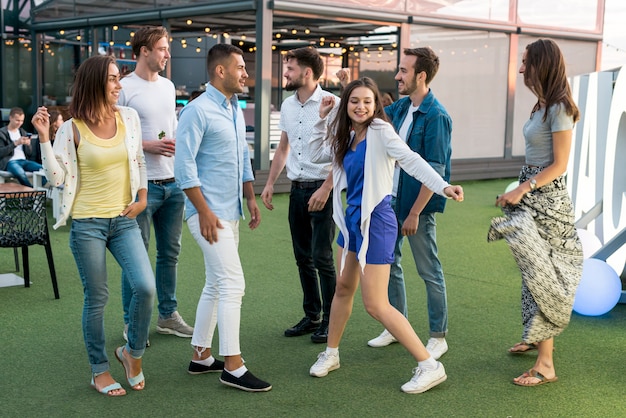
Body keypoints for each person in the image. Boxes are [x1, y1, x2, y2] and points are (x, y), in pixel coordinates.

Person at [308, 77, 464, 393]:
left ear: (376, 104)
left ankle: (430, 365)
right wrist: (322, 119)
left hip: (377, 222)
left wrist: (443, 186)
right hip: (352, 221)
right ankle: (331, 353)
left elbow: (411, 160)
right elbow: (316, 154)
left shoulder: (381, 132)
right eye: (354, 101)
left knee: (376, 305)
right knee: (342, 288)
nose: (361, 106)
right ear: (346, 104)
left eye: (367, 101)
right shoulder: (347, 134)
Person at [31, 55, 155, 396]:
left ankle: (132, 354)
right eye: (113, 79)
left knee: (145, 288)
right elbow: (56, 178)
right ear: (96, 84)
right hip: (88, 225)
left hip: (124, 220)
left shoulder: (128, 117)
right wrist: (44, 137)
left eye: (119, 78)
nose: (119, 85)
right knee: (97, 297)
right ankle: (99, 370)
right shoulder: (72, 128)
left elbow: (139, 161)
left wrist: (142, 198)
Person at [175, 43, 271, 392]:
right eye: (241, 67)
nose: (246, 74)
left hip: (230, 211)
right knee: (233, 284)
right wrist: (202, 211)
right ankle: (233, 364)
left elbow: (242, 156)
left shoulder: (232, 107)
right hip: (208, 214)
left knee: (216, 284)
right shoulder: (196, 111)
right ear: (220, 71)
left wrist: (250, 197)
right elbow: (183, 167)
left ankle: (201, 355)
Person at [488, 39, 583, 386]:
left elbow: (559, 165)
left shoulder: (559, 107)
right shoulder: (541, 105)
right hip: (532, 193)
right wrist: (518, 189)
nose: (521, 68)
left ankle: (546, 365)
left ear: (541, 64)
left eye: (526, 61)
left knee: (542, 277)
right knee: (531, 273)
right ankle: (534, 335)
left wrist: (522, 188)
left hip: (548, 201)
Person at [366, 48, 453, 362]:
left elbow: (436, 169)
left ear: (421, 76)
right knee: (390, 266)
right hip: (390, 201)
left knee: (429, 271)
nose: (397, 76)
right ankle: (395, 326)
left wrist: (415, 212)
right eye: (398, 70)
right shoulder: (400, 107)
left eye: (403, 71)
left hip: (418, 206)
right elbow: (365, 121)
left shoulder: (438, 116)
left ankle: (437, 336)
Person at [118, 26, 193, 344]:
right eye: (162, 48)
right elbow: (113, 135)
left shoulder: (168, 85)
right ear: (144, 50)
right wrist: (147, 145)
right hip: (140, 186)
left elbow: (171, 126)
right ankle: (130, 321)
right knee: (136, 256)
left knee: (170, 254)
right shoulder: (123, 88)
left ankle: (167, 316)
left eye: (167, 48)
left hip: (172, 182)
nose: (167, 54)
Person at [261, 46, 337, 343]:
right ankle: (313, 315)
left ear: (307, 72)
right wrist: (269, 184)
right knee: (302, 257)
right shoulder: (288, 105)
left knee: (323, 257)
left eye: (290, 69)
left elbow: (342, 153)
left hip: (323, 190)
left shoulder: (334, 103)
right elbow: (284, 148)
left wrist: (326, 188)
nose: (285, 74)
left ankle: (331, 319)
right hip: (296, 190)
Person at [0, 107, 44, 187]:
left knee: (44, 170)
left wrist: (28, 145)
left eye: (22, 121)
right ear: (10, 118)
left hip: (24, 161)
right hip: (10, 162)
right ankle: (32, 193)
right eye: (17, 120)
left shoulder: (22, 132)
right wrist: (16, 143)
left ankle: (35, 190)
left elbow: (30, 154)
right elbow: (1, 152)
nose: (19, 123)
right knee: (20, 173)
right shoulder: (2, 133)